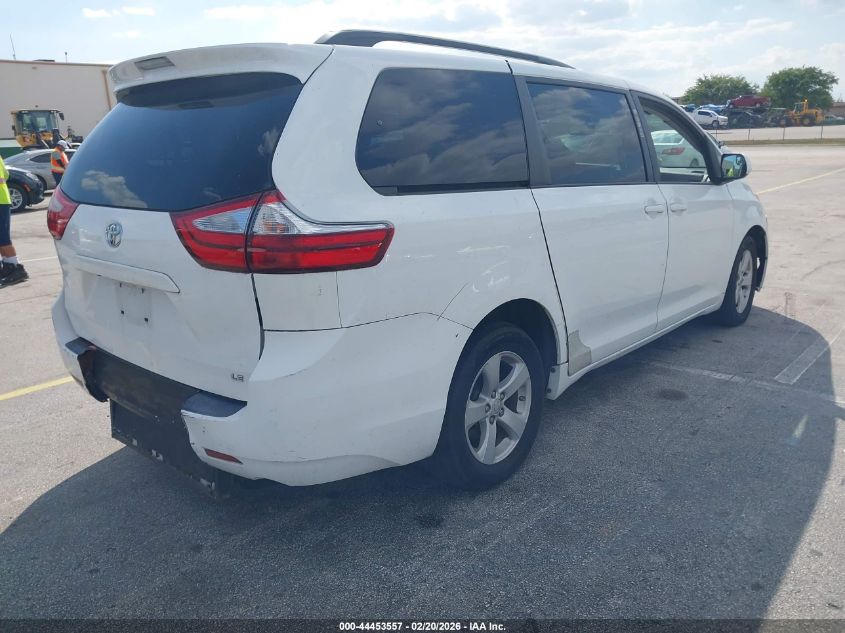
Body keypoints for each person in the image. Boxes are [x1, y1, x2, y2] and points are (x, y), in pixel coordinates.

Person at [0, 155, 29, 287]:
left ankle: (17, 269)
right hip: (3, 199)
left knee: (3, 238)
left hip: (1, 201)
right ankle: (9, 266)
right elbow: (5, 174)